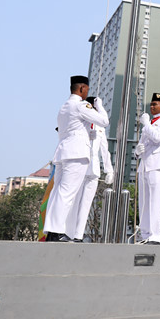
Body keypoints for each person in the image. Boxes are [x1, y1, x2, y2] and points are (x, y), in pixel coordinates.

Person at [44, 75, 109, 243]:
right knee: (67, 193)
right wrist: (99, 106)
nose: (87, 92)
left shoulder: (64, 107)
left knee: (57, 192)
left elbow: (73, 128)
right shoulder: (81, 105)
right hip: (76, 154)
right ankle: (58, 231)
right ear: (81, 89)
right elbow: (104, 121)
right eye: (86, 89)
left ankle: (51, 231)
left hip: (63, 153)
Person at [69, 95, 115, 242]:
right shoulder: (79, 124)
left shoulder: (100, 128)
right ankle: (67, 232)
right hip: (80, 165)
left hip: (93, 169)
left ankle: (78, 235)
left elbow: (105, 150)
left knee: (86, 204)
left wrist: (109, 170)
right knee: (73, 201)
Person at [135, 93, 160, 244]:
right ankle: (145, 235)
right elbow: (142, 143)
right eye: (151, 104)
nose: (152, 107)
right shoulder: (149, 124)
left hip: (158, 164)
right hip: (145, 165)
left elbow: (157, 137)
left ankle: (155, 236)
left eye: (155, 104)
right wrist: (137, 151)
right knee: (144, 203)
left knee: (156, 201)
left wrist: (146, 124)